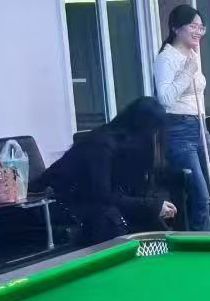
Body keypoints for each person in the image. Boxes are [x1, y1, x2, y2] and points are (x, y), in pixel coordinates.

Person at [35, 97, 177, 244]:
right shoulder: (101, 145)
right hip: (54, 202)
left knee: (138, 212)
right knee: (109, 215)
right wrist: (151, 206)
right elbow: (103, 196)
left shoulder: (123, 147)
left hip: (81, 198)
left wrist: (154, 206)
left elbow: (119, 193)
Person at [154, 4, 210, 231]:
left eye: (201, 27)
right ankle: (203, 246)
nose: (198, 31)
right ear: (176, 28)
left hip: (200, 126)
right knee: (201, 196)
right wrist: (187, 71)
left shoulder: (193, 54)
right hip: (179, 130)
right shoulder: (166, 58)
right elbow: (165, 98)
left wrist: (192, 66)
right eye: (193, 26)